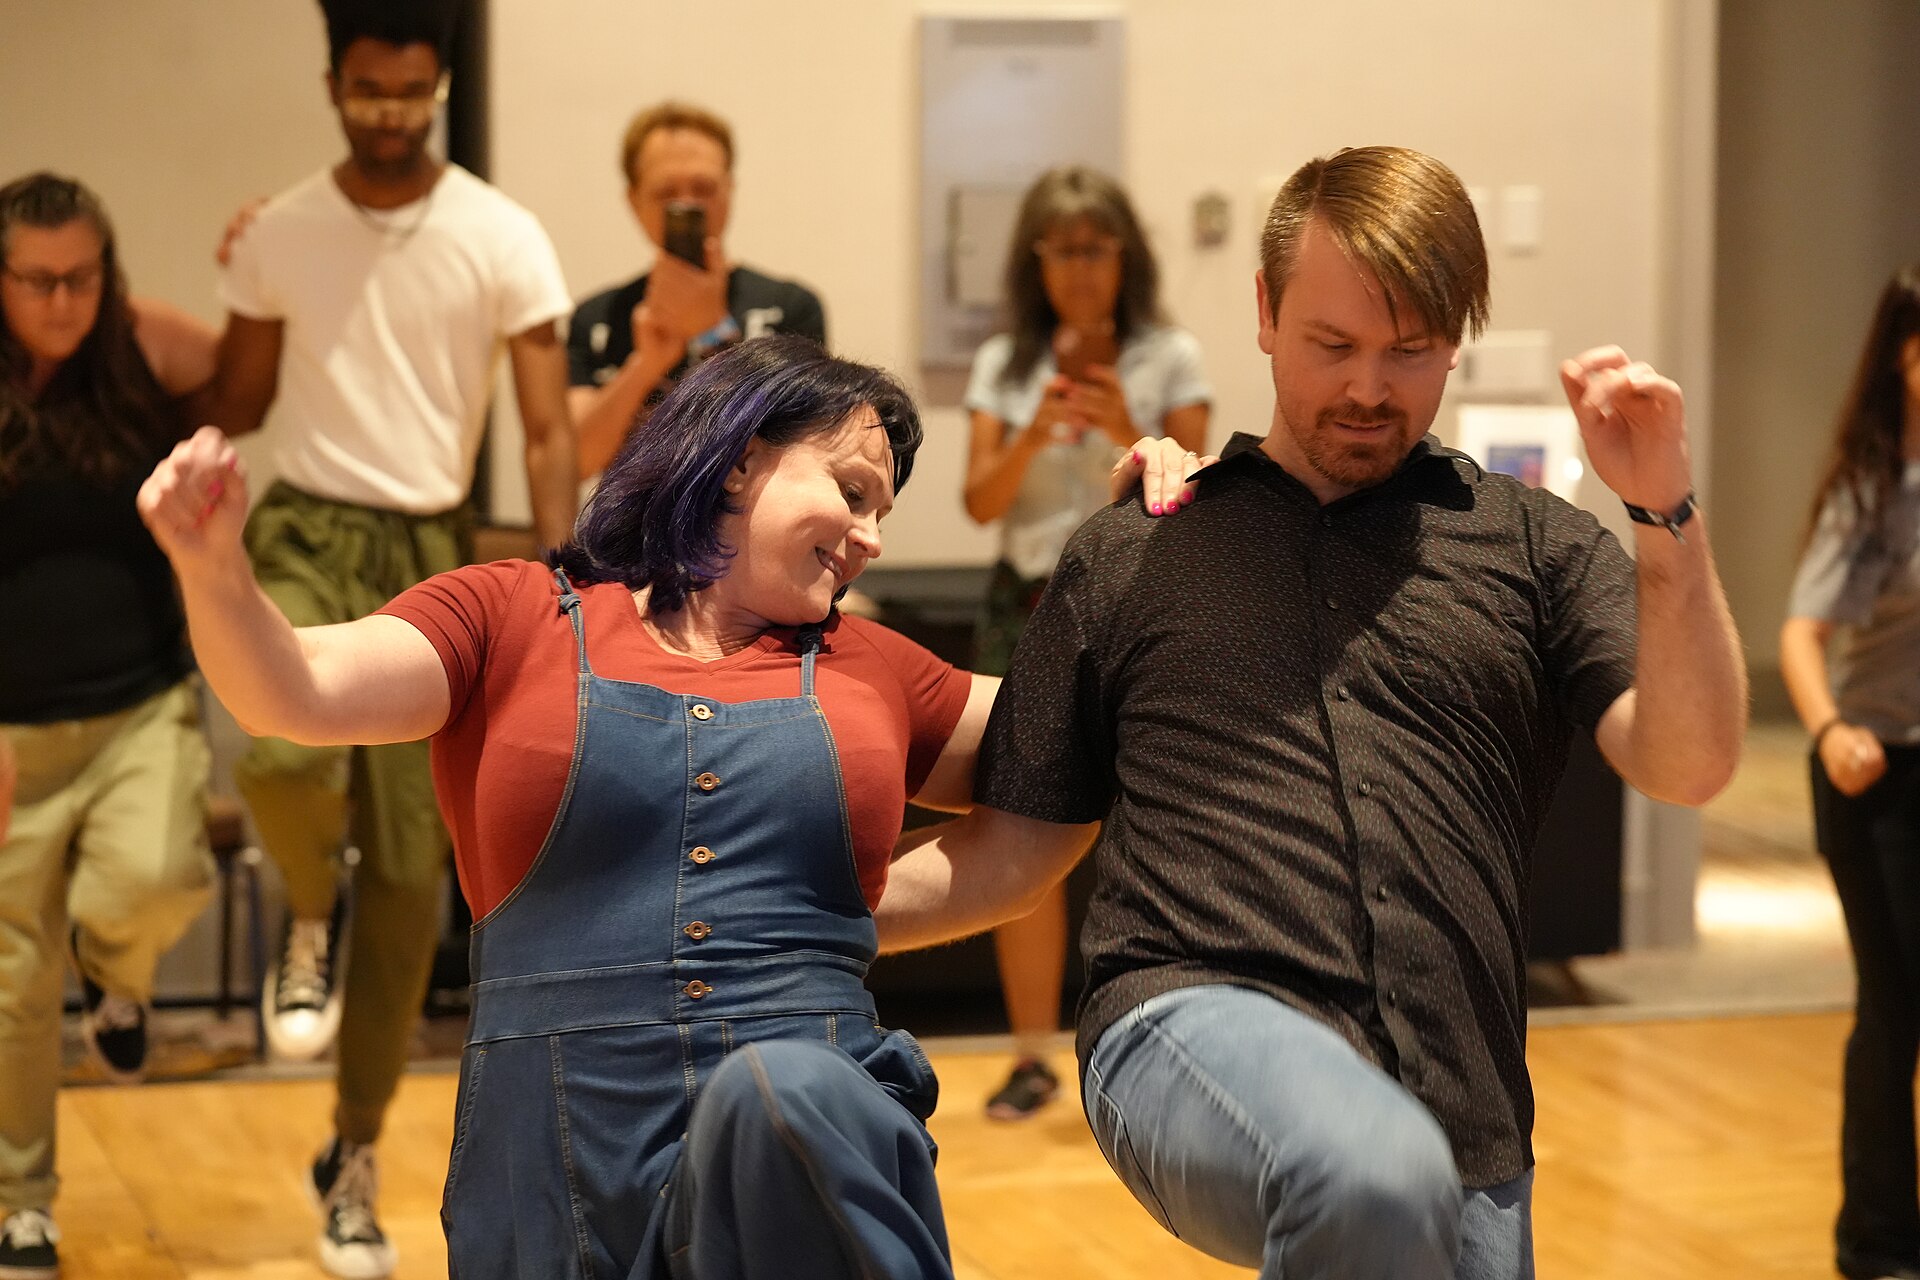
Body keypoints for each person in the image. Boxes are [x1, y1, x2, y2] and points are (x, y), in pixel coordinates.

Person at [139, 334, 1202, 1279]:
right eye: (852, 488)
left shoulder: (876, 667)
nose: (871, 533)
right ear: (740, 454)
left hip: (803, 1128)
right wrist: (212, 564)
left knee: (785, 1091)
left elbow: (1064, 775)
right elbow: (296, 688)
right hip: (549, 1156)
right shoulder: (512, 615)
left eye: (886, 510)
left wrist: (1150, 553)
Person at [877, 145, 1748, 1280]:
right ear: (1263, 312)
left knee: (1399, 1185)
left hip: (1462, 1099)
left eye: (1413, 351)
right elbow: (1015, 849)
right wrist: (778, 909)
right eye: (1332, 345)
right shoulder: (1144, 543)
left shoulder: (1533, 545)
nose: (1369, 390)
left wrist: (1665, 516)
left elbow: (1689, 764)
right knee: (1370, 1171)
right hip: (1183, 1020)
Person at [191, 2, 577, 1272]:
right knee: (283, 752)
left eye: (411, 92)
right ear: (333, 83)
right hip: (304, 526)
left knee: (419, 880)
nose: (390, 112)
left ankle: (353, 1150)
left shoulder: (501, 233)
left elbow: (543, 423)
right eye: (368, 91)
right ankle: (308, 912)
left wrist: (566, 574)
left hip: (436, 544)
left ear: (440, 84)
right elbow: (235, 397)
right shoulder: (283, 228)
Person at [0, 172, 220, 1279]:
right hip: (10, 735)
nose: (59, 299)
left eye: (80, 275)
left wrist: (260, 264)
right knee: (13, 977)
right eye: (35, 278)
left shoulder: (137, 352)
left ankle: (118, 974)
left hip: (139, 701)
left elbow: (249, 367)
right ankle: (21, 1202)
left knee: (154, 878)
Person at [961, 165, 1210, 1120]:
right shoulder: (1005, 364)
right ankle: (1031, 1056)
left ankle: (1169, 1050)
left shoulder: (1170, 355)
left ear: (1124, 255)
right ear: (1037, 261)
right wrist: (1031, 434)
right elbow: (980, 500)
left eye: (1095, 248)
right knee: (1018, 826)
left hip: (1144, 601)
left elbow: (1195, 496)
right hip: (1025, 601)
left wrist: (1126, 427)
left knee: (1159, 829)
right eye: (1061, 250)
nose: (1079, 269)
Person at [1781, 264, 1920, 1280]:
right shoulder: (1874, 486)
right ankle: (1876, 1241)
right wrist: (1831, 728)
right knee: (1898, 1003)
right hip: (1881, 779)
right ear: (1905, 356)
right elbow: (1801, 631)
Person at [567, 100, 828, 477]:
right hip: (633, 534)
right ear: (634, 201)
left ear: (730, 190)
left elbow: (801, 449)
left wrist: (713, 331)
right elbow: (574, 461)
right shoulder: (597, 317)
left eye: (704, 188)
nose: (687, 204)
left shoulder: (791, 307)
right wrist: (645, 366)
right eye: (666, 193)